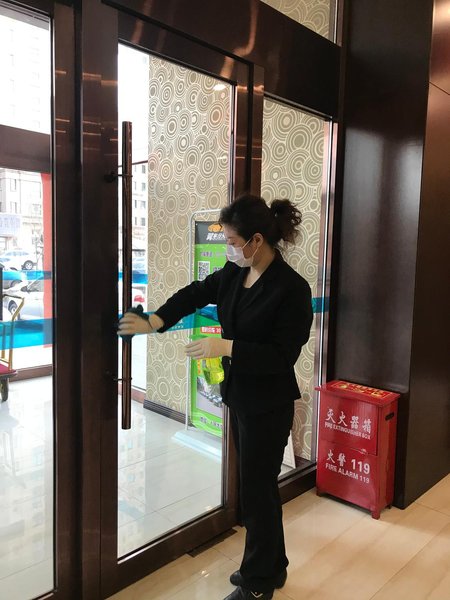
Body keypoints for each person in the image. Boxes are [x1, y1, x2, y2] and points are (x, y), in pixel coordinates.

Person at [118, 194, 313, 600]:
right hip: (239, 396)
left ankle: (258, 584)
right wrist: (156, 319)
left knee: (257, 492)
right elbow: (195, 292)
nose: (227, 247)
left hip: (269, 404)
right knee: (256, 488)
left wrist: (226, 347)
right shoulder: (235, 272)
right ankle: (273, 566)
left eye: (231, 240)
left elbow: (281, 357)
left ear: (256, 240)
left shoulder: (291, 288)